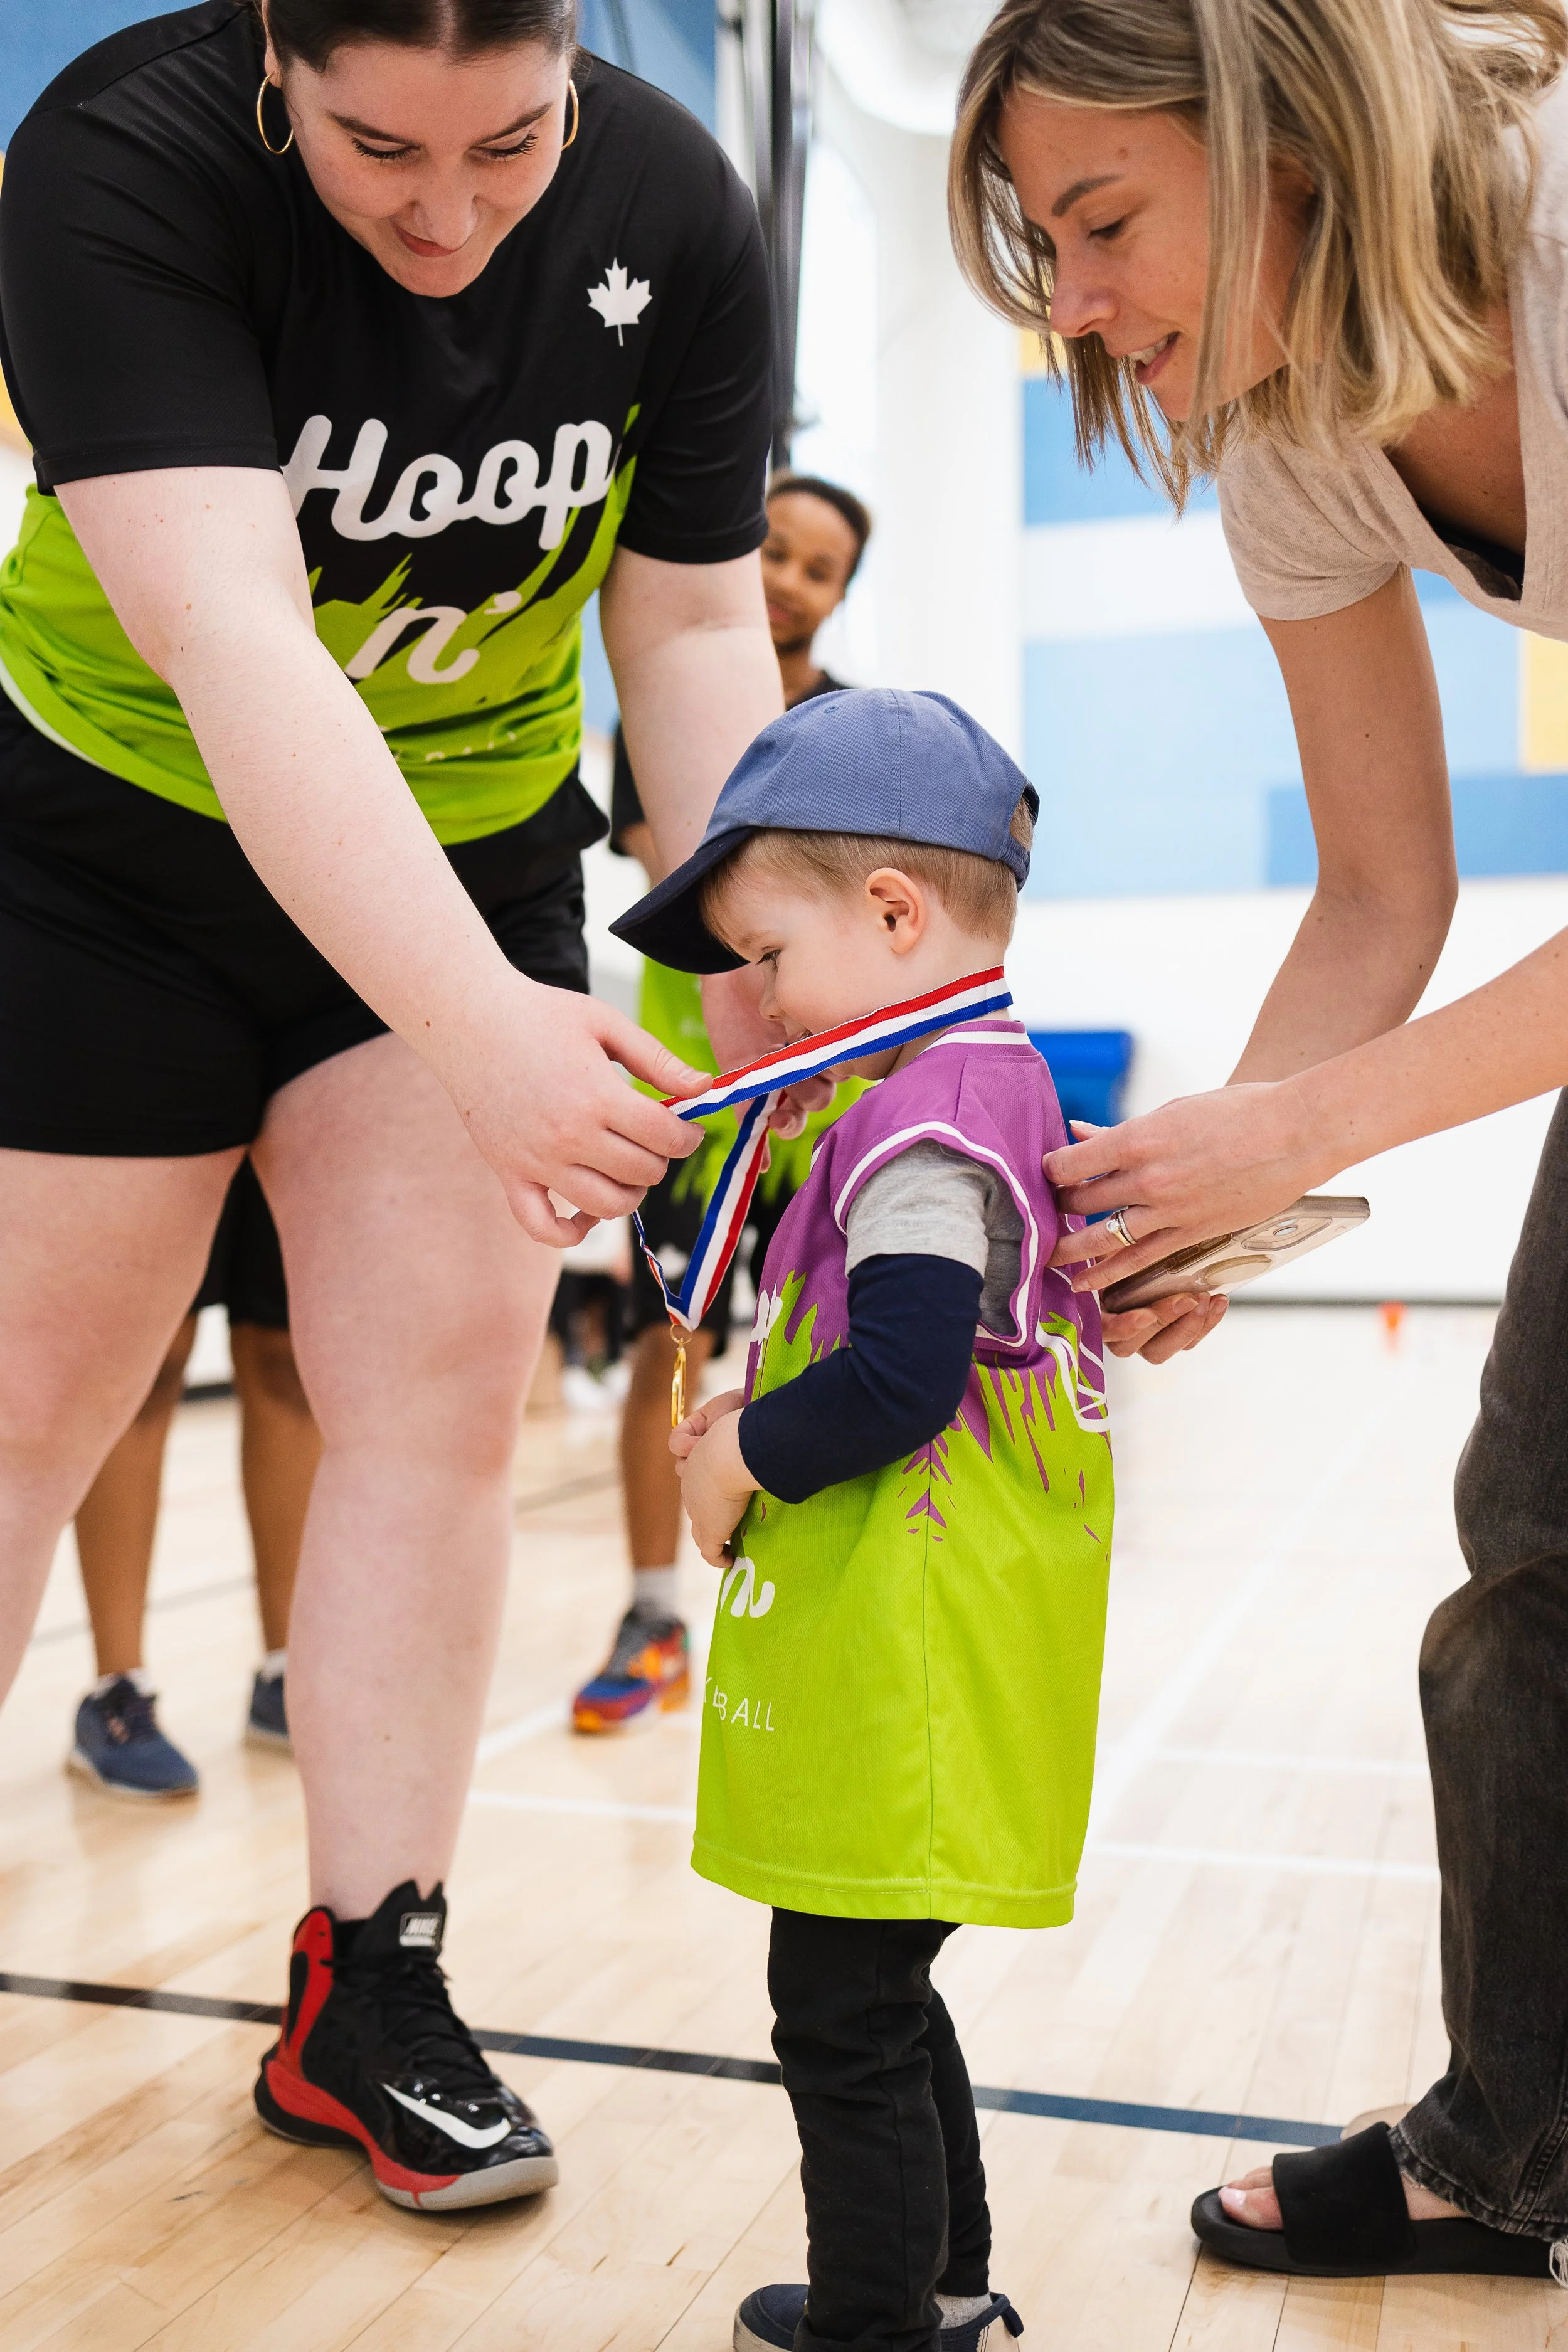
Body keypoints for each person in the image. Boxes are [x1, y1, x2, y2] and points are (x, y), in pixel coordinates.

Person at [0, 0, 801, 2213]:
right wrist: (490, 1030)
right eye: (375, 151)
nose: (447, 214)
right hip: (108, 851)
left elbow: (696, 622)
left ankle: (373, 1988)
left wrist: (766, 980)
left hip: (464, 842)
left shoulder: (670, 203)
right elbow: (235, 640)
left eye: (510, 146)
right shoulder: (115, 155)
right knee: (36, 1403)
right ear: (274, 56)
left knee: (437, 1401)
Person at [951, 0, 1568, 2282]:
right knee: (1538, 1520)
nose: (1079, 305)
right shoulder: (1299, 436)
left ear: (1295, 132)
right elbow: (1384, 890)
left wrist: (1290, 1130)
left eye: (1104, 220)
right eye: (1046, 246)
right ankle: (1508, 2145)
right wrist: (1226, 1189)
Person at [613, 687, 1113, 2352]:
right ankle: (939, 2285)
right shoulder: (977, 1076)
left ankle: (873, 2322)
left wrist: (739, 1448)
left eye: (762, 956)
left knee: (834, 2010)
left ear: (891, 913)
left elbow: (897, 1371)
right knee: (883, 1990)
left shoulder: (916, 1110)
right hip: (952, 1617)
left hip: (911, 1633)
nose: (741, 1001)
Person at [574, 471, 873, 1732]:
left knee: (829, 1351)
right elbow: (694, 884)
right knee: (669, 1352)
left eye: (819, 568)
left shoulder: (862, 736)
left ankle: (816, 1608)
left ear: (840, 596)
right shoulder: (661, 717)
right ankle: (651, 1620)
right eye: (774, 549)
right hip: (695, 1107)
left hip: (829, 1102)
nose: (788, 580)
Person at [69, 1161, 319, 1799]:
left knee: (288, 1354)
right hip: (157, 1071)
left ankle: (288, 1674)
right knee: (147, 1356)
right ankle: (116, 1689)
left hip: (298, 1077)